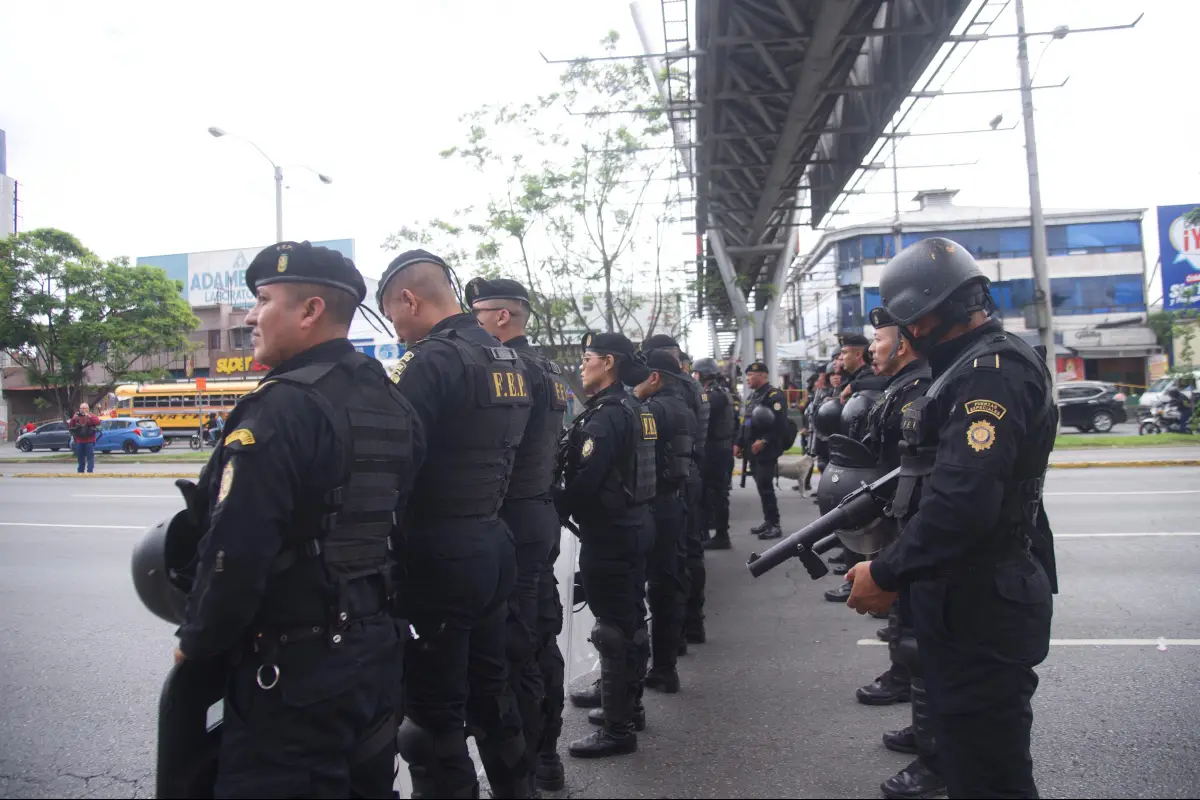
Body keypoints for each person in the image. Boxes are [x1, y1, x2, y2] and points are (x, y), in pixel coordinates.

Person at [174, 241, 422, 797]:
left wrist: (197, 641)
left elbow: (234, 549)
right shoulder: (393, 401)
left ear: (310, 311)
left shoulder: (282, 408)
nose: (249, 316)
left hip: (296, 672)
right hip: (375, 652)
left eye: (262, 300)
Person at [846, 237, 1057, 799]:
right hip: (964, 594)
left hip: (983, 600)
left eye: (907, 321)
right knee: (968, 760)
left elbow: (964, 502)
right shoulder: (965, 367)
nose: (906, 332)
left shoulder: (990, 372)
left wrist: (886, 573)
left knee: (989, 775)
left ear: (930, 314)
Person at [379, 250, 533, 799]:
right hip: (492, 542)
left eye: (394, 316)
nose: (396, 330)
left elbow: (390, 460)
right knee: (492, 692)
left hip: (439, 554)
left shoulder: (430, 363)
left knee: (432, 720)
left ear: (409, 299)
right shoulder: (506, 358)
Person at [465, 277, 570, 793]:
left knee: (515, 649)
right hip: (538, 513)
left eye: (478, 312)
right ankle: (546, 756)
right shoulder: (547, 369)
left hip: (510, 517)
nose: (473, 321)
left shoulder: (509, 369)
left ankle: (524, 769)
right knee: (540, 637)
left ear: (503, 317)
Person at [850, 310, 944, 800]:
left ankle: (936, 752)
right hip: (900, 515)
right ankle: (926, 730)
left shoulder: (920, 385)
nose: (871, 349)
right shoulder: (902, 384)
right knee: (910, 630)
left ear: (903, 344)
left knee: (920, 637)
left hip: (918, 524)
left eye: (878, 339)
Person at [557, 333, 655, 759]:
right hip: (634, 525)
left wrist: (548, 501)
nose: (582, 365)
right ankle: (629, 709)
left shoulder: (607, 416)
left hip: (611, 533)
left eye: (588, 358)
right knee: (631, 619)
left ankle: (617, 729)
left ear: (609, 362)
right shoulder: (632, 407)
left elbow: (584, 484)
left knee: (612, 630)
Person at [630, 349, 695, 693]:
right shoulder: (681, 405)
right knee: (666, 586)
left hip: (651, 505)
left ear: (654, 377)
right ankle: (665, 667)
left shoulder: (651, 410)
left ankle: (636, 670)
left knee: (638, 590)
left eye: (638, 376)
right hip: (672, 504)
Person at [641, 335, 709, 647]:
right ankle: (692, 624)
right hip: (690, 471)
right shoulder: (691, 386)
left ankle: (678, 631)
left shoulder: (665, 394)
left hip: (670, 478)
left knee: (671, 559)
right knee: (689, 551)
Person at [735, 362, 789, 540]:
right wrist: (739, 443)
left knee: (766, 486)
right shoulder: (752, 397)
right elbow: (746, 423)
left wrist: (765, 441)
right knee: (761, 486)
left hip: (766, 450)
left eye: (752, 374)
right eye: (748, 374)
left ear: (763, 376)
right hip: (752, 449)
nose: (748, 378)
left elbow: (780, 424)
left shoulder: (774, 395)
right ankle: (768, 520)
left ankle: (775, 524)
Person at [694, 358, 735, 551]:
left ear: (702, 374)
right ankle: (716, 532)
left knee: (715, 493)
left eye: (696, 373)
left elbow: (702, 420)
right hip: (721, 448)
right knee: (716, 492)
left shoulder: (712, 395)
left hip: (714, 449)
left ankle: (721, 535)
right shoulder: (722, 392)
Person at [69, 403, 102, 474]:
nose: (82, 410)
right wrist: (73, 419)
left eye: (84, 408)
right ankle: (80, 471)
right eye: (81, 408)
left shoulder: (92, 416)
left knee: (90, 457)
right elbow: (71, 425)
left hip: (89, 440)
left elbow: (98, 422)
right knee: (80, 457)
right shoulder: (77, 416)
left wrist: (89, 416)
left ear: (88, 409)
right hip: (79, 441)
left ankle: (90, 471)